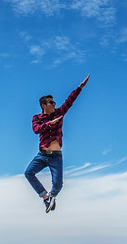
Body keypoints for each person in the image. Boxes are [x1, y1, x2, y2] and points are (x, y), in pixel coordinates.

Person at [24, 75, 90, 213]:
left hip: (56, 156)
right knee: (29, 173)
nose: (54, 104)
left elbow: (70, 101)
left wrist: (80, 87)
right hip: (41, 155)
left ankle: (52, 197)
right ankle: (45, 196)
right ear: (43, 105)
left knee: (58, 185)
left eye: (54, 102)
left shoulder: (59, 112)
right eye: (51, 102)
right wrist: (49, 124)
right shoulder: (37, 118)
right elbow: (36, 130)